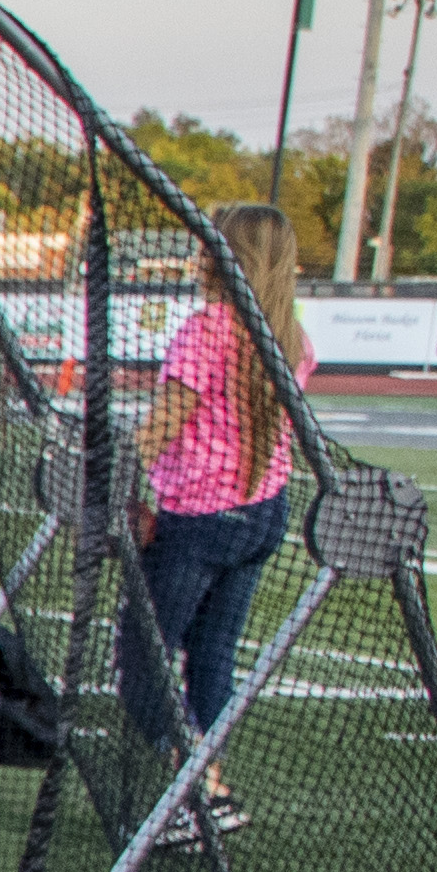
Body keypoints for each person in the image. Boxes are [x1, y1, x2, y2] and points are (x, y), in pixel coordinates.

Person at [127, 201, 304, 813]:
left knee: (145, 649)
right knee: (214, 651)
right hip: (263, 511)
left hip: (198, 516)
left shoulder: (208, 329)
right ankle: (211, 777)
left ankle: (183, 775)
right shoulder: (293, 338)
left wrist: (117, 472)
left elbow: (167, 421)